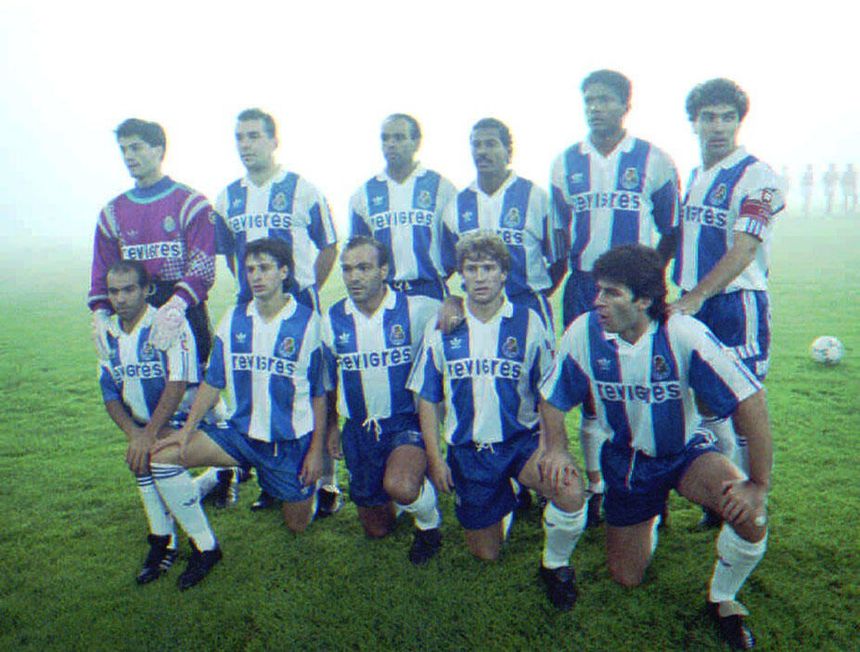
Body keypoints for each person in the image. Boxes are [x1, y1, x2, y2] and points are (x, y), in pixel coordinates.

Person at [541, 244, 771, 650]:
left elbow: (749, 399)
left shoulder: (682, 332)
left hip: (686, 453)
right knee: (626, 576)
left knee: (749, 516)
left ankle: (723, 599)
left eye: (611, 293)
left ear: (644, 300)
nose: (598, 302)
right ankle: (648, 516)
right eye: (598, 291)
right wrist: (556, 448)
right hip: (627, 462)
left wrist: (757, 483)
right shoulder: (584, 332)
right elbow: (553, 397)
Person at [407, 231, 586, 610]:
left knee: (570, 490)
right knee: (486, 553)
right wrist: (436, 460)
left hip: (521, 442)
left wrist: (552, 449)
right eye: (472, 269)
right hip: (470, 451)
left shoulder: (529, 322)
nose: (481, 277)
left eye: (489, 268)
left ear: (504, 273)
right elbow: (426, 397)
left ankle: (555, 565)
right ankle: (507, 498)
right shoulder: (443, 327)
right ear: (461, 275)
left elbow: (549, 393)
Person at [150, 238, 328, 588]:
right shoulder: (233, 319)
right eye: (249, 269)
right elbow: (214, 380)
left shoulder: (309, 324)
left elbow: (321, 394)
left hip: (287, 445)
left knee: (297, 525)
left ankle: (270, 483)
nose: (256, 276)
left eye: (264, 268)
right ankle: (206, 544)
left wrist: (316, 452)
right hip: (239, 437)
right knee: (162, 457)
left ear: (284, 272)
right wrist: (186, 430)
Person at [550, 70, 680, 526]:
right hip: (585, 284)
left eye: (605, 99)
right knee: (590, 386)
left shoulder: (654, 159)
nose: (595, 106)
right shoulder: (565, 162)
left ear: (626, 104)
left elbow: (672, 228)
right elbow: (561, 232)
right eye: (589, 99)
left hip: (635, 291)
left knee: (639, 381)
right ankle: (597, 486)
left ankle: (648, 484)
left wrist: (647, 279)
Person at [215, 108, 341, 513]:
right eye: (239, 137)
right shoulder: (227, 197)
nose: (245, 144)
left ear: (273, 141)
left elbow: (329, 244)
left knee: (315, 391)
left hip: (300, 307)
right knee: (261, 390)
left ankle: (327, 483)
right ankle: (273, 479)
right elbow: (232, 257)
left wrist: (307, 289)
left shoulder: (303, 188)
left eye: (253, 136)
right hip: (252, 310)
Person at [671, 79, 785, 524]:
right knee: (705, 402)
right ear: (694, 122)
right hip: (696, 303)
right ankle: (726, 493)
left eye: (726, 117)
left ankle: (752, 499)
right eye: (708, 117)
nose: (717, 126)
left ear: (739, 121)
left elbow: (743, 249)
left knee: (741, 405)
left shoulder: (756, 175)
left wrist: (697, 295)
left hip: (737, 307)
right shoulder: (699, 175)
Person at [99, 260, 223, 588]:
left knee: (155, 459)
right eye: (114, 291)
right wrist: (135, 434)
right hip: (145, 424)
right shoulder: (107, 332)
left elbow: (178, 383)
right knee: (141, 461)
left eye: (129, 289)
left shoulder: (168, 324)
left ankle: (206, 546)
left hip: (186, 420)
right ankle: (162, 540)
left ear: (146, 290)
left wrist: (149, 433)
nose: (121, 298)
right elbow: (110, 392)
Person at [322, 236, 443, 563]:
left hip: (404, 422)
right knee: (376, 529)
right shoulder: (333, 319)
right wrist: (333, 426)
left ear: (384, 270)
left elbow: (456, 307)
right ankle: (409, 489)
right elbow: (328, 379)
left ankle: (429, 525)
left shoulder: (415, 308)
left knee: (400, 485)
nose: (354, 277)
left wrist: (456, 302)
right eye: (347, 269)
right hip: (359, 429)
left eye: (364, 267)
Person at [89, 118, 217, 364]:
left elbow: (203, 267)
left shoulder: (191, 203)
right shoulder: (112, 212)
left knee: (193, 395)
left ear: (158, 150)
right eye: (124, 149)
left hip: (183, 310)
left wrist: (177, 305)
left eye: (136, 147)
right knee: (139, 393)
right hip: (134, 310)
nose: (128, 156)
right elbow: (102, 270)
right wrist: (101, 313)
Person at [446, 117, 565, 328]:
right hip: (479, 313)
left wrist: (533, 291)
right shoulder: (456, 205)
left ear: (508, 151)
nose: (482, 151)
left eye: (491, 144)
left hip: (527, 305)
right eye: (477, 144)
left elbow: (559, 260)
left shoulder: (535, 198)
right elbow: (450, 264)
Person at [349, 113, 457, 300]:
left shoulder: (441, 187)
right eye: (386, 138)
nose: (391, 144)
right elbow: (359, 252)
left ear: (416, 142)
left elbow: (455, 246)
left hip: (430, 291)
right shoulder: (363, 195)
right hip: (384, 295)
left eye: (399, 137)